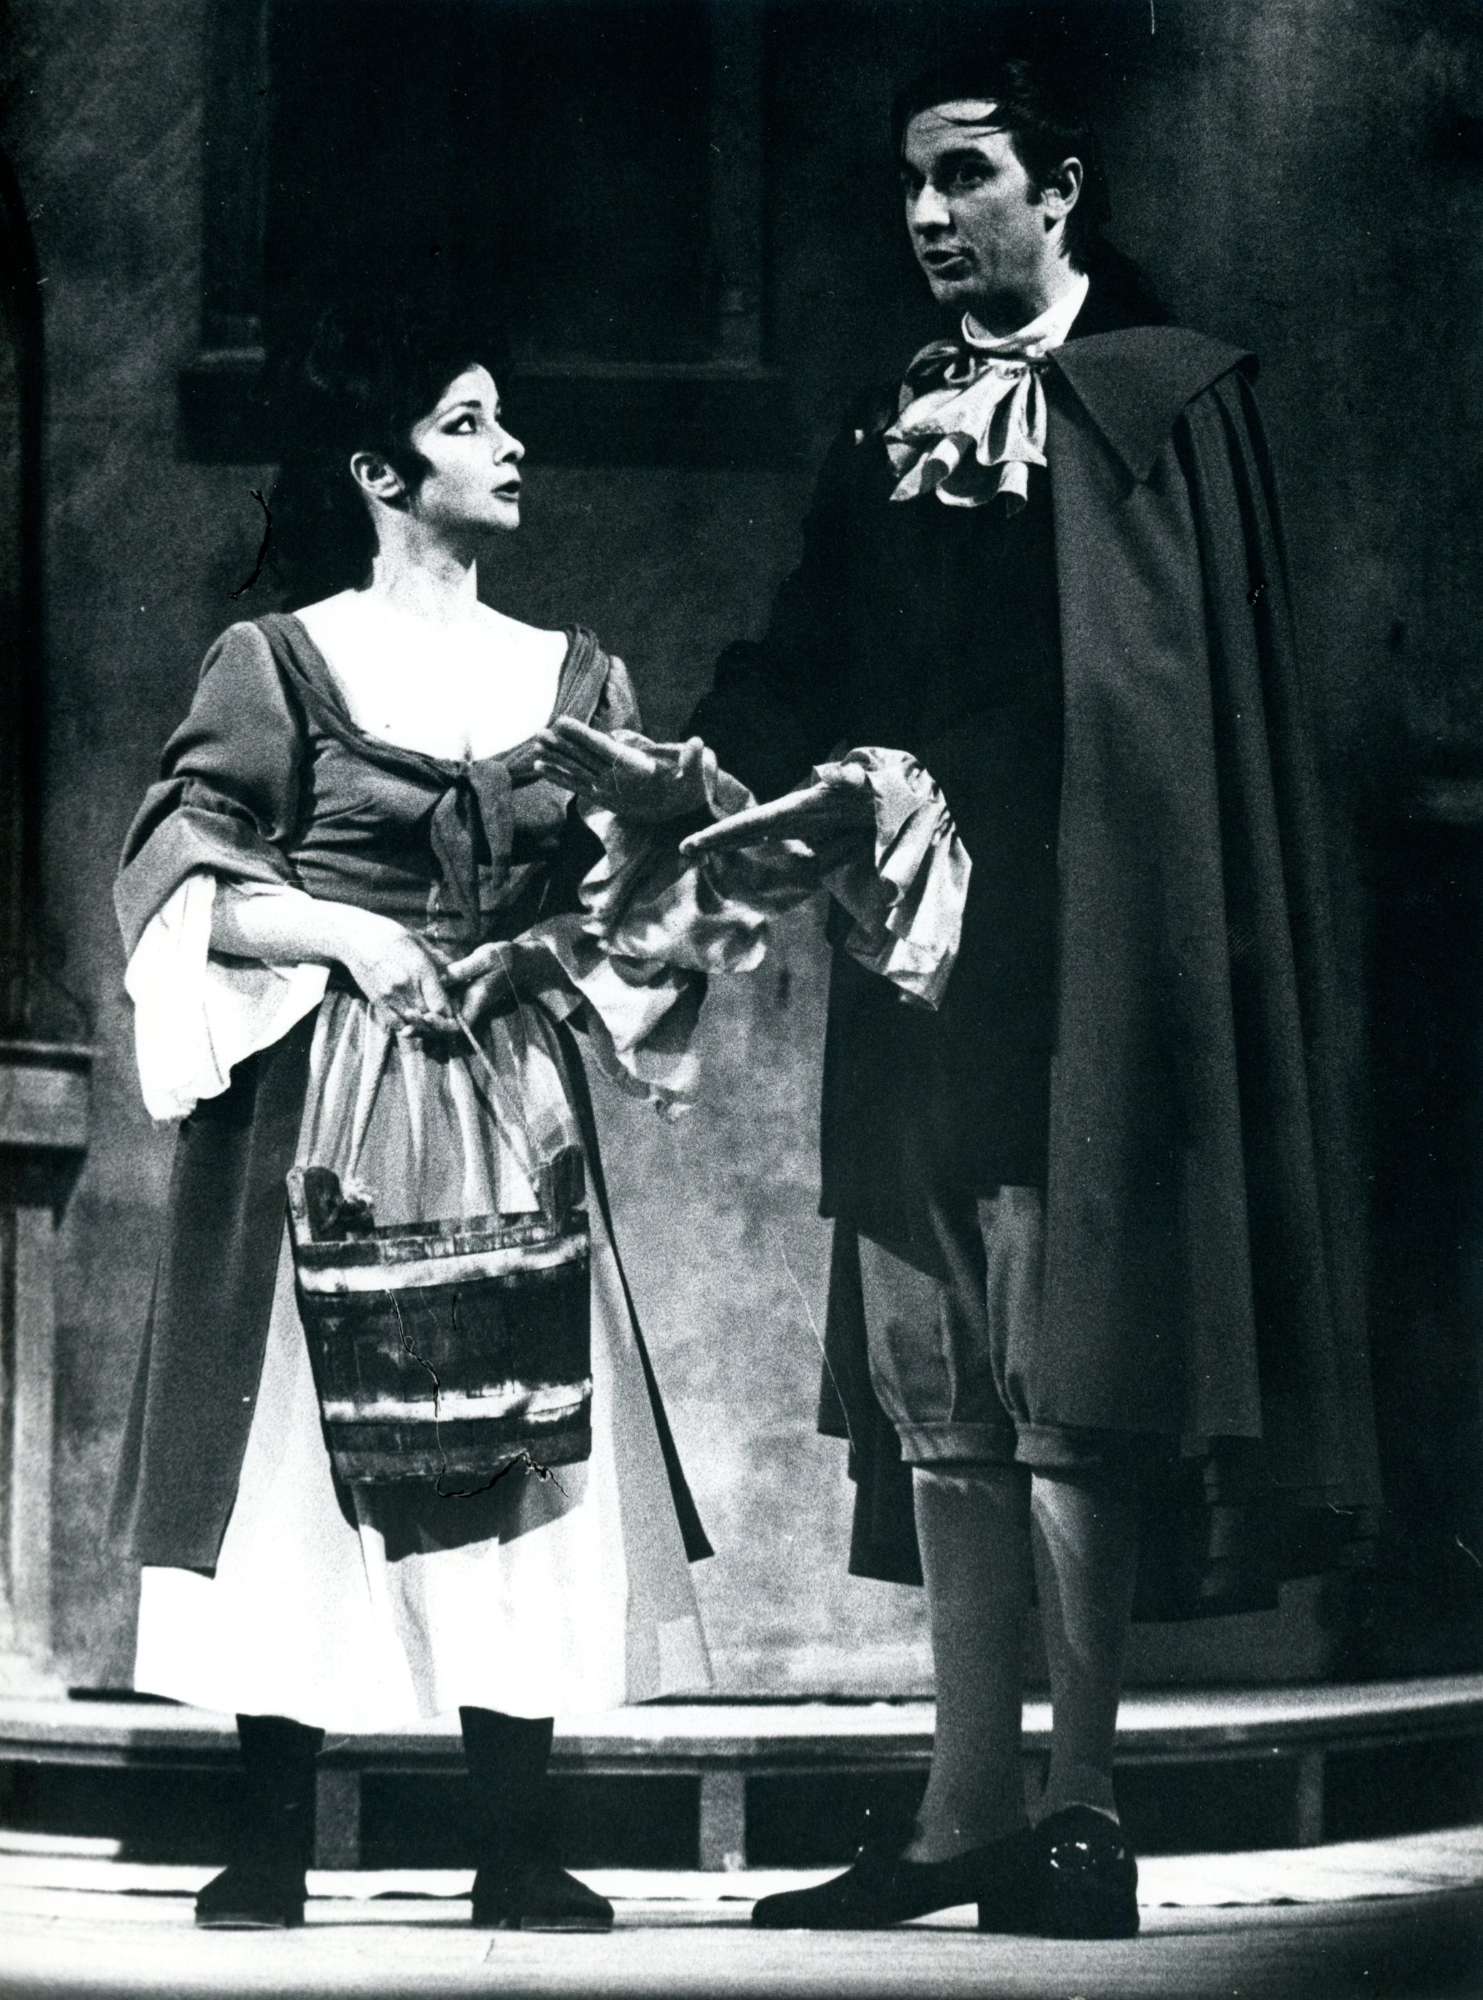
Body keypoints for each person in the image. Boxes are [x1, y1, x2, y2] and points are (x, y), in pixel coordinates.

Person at [538, 26, 1381, 1940]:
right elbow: (806, 651)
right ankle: (956, 1816)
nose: (925, 214)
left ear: (1059, 191)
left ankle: (1082, 1810)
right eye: (910, 184)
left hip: (1082, 956)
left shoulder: (1166, 406)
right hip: (903, 955)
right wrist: (696, 770)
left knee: (1067, 1380)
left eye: (965, 177)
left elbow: (1171, 720)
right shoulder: (896, 412)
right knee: (939, 1387)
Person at [111, 298, 751, 1934]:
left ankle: (514, 1841)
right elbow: (184, 874)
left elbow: (635, 907)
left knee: (515, 1422)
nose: (509, 445)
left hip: (501, 1096)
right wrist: (353, 934)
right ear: (377, 472)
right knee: (303, 1444)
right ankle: (270, 1833)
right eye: (466, 423)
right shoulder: (281, 660)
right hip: (325, 1100)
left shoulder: (573, 676)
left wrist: (660, 875)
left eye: (500, 418)